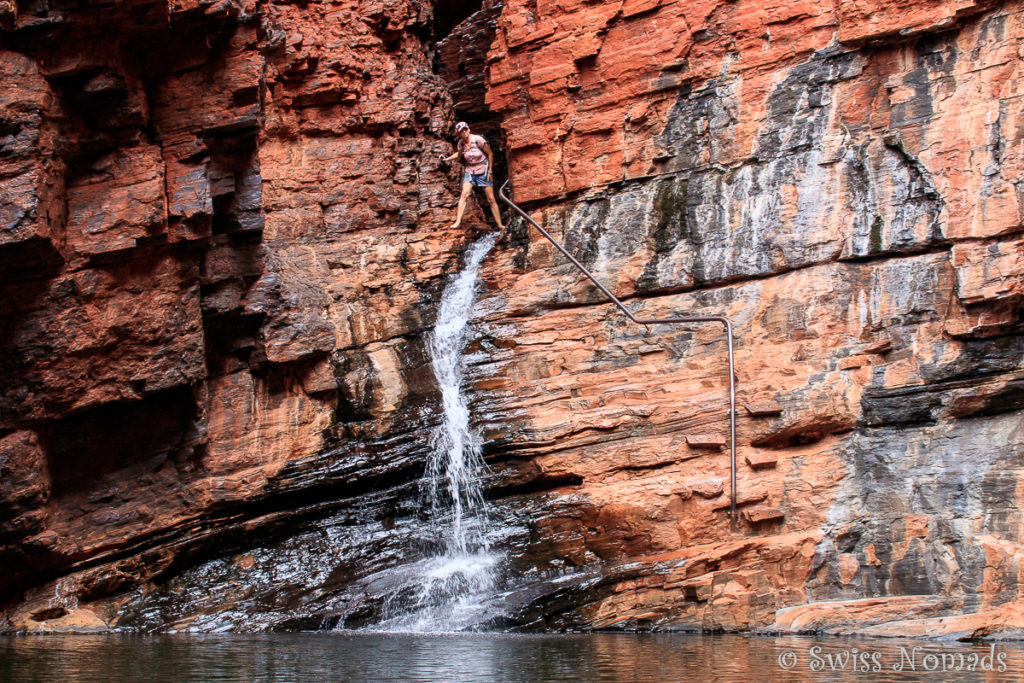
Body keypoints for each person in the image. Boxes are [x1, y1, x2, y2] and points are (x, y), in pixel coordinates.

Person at [442, 121, 505, 231]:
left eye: (465, 129)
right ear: (459, 134)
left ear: (468, 129)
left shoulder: (478, 140)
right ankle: (458, 221)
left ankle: (499, 224)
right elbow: (459, 153)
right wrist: (447, 159)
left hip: (483, 169)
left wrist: (490, 170)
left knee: (490, 199)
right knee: (464, 194)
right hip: (470, 170)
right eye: (461, 131)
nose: (464, 132)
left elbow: (490, 154)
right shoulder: (461, 144)